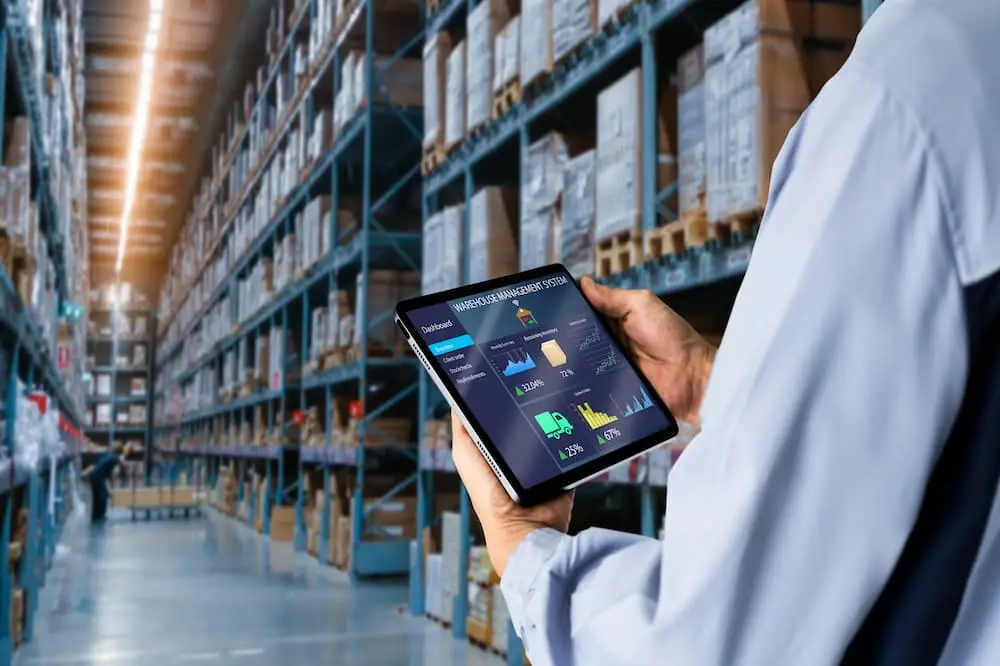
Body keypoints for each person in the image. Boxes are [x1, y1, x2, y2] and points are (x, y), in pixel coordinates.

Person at [451, 1, 1000, 664]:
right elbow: (932, 412)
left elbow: (706, 643)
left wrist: (524, 547)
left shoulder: (907, 94)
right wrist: (718, 386)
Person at [82, 443, 131, 523]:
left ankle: (95, 515)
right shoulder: (113, 458)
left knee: (97, 497)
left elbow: (110, 471)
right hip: (98, 478)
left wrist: (112, 484)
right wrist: (126, 463)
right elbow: (120, 461)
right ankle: (101, 515)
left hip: (94, 476)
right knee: (103, 496)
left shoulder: (109, 456)